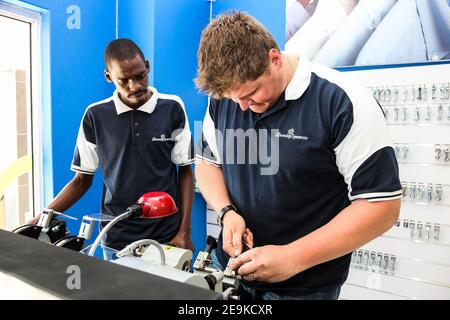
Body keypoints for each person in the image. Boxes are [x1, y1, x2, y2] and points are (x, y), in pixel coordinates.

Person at [195, 12, 401, 300]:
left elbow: (382, 206)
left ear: (274, 58)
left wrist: (293, 257)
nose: (240, 107)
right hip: (229, 270)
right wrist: (227, 212)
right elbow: (206, 163)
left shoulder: (344, 103)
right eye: (233, 98)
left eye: (251, 93)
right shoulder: (225, 100)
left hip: (304, 287)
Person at [29, 39, 195, 251]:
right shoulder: (95, 115)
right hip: (116, 236)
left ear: (147, 65)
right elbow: (81, 180)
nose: (134, 87)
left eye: (140, 76)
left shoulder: (173, 107)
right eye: (124, 80)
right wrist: (42, 218)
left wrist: (184, 232)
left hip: (166, 235)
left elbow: (185, 171)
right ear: (108, 77)